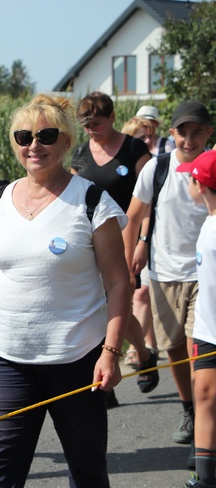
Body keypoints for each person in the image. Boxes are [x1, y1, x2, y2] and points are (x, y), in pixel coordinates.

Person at [0, 93, 130, 487]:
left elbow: (119, 281)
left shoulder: (91, 201)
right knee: (0, 471)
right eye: (23, 136)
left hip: (77, 358)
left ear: (67, 141)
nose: (33, 145)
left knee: (86, 469)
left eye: (46, 135)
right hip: (7, 360)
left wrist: (110, 351)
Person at [123, 100, 214, 446]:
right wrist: (128, 258)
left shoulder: (214, 165)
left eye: (196, 133)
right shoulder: (156, 169)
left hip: (204, 276)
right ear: (171, 133)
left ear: (209, 133)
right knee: (173, 348)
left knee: (197, 348)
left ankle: (206, 428)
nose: (189, 141)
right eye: (182, 133)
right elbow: (133, 216)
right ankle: (189, 409)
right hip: (163, 274)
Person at [71, 91, 158, 400]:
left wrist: (142, 243)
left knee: (116, 301)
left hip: (129, 237)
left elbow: (150, 200)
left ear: (111, 119)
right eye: (85, 125)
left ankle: (141, 356)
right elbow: (71, 198)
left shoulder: (134, 149)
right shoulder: (81, 153)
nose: (91, 130)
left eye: (96, 123)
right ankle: (115, 371)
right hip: (90, 241)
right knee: (99, 305)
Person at [176, 150, 216, 488]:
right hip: (206, 329)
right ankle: (204, 476)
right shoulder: (208, 220)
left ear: (199, 184)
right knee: (203, 392)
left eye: (191, 176)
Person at [121, 115, 160, 364]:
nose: (147, 141)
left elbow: (148, 208)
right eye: (141, 137)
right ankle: (147, 346)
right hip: (122, 235)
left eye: (149, 136)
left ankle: (141, 349)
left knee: (141, 293)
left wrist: (142, 242)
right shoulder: (120, 159)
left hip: (150, 236)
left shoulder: (155, 164)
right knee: (133, 296)